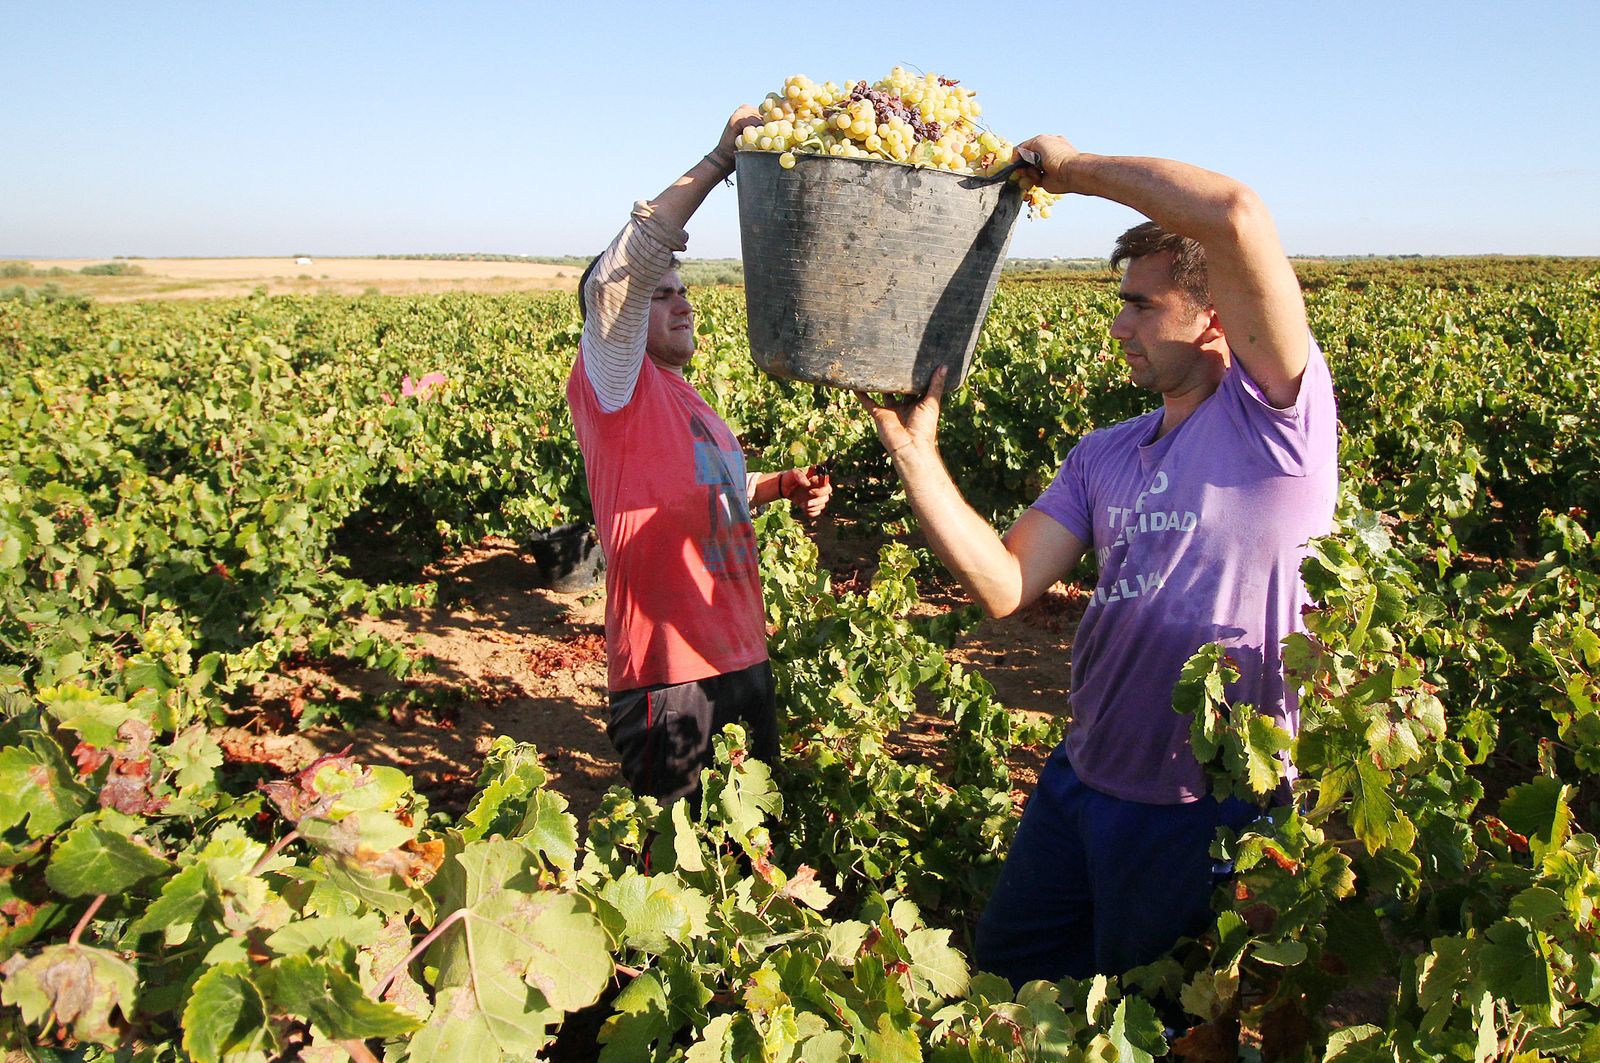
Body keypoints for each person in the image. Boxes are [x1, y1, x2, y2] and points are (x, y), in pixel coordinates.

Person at [861, 134, 1338, 986]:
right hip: (1082, 779)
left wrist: (1072, 171)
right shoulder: (1103, 454)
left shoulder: (1277, 422)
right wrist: (915, 454)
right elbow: (1004, 584)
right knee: (1010, 984)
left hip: (1209, 802)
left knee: (1168, 1022)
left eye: (1142, 306)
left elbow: (1235, 215)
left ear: (1215, 315)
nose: (1119, 327)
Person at [567, 107, 832, 805]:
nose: (681, 304)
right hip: (671, 674)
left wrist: (778, 485)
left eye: (683, 291)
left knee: (753, 853)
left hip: (742, 653)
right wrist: (719, 163)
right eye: (661, 296)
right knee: (682, 862)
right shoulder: (615, 385)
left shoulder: (692, 402)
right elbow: (617, 278)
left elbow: (716, 489)